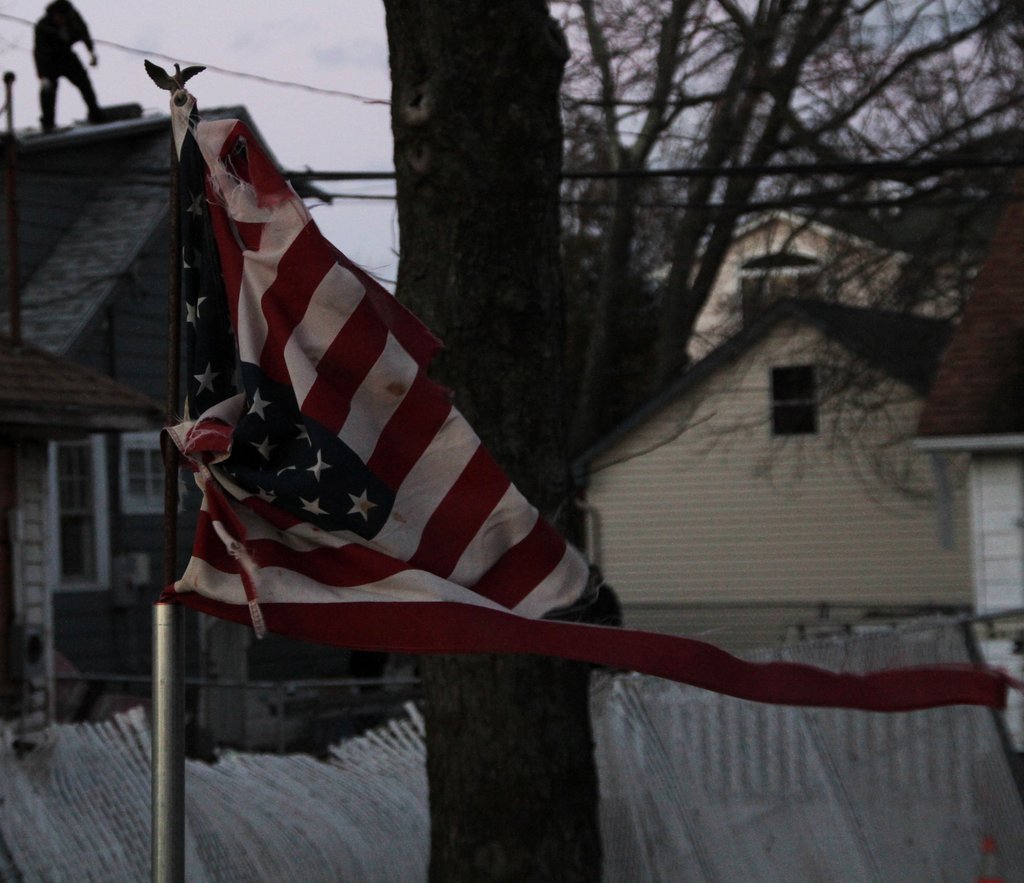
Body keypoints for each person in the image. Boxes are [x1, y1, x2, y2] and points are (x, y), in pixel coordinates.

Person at [33, 0, 104, 133]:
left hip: (67, 56)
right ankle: (48, 123)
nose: (62, 20)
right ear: (54, 15)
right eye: (60, 18)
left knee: (84, 83)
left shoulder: (74, 18)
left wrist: (91, 52)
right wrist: (42, 76)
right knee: (48, 90)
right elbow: (39, 52)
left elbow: (84, 32)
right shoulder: (42, 26)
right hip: (50, 60)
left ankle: (96, 114)